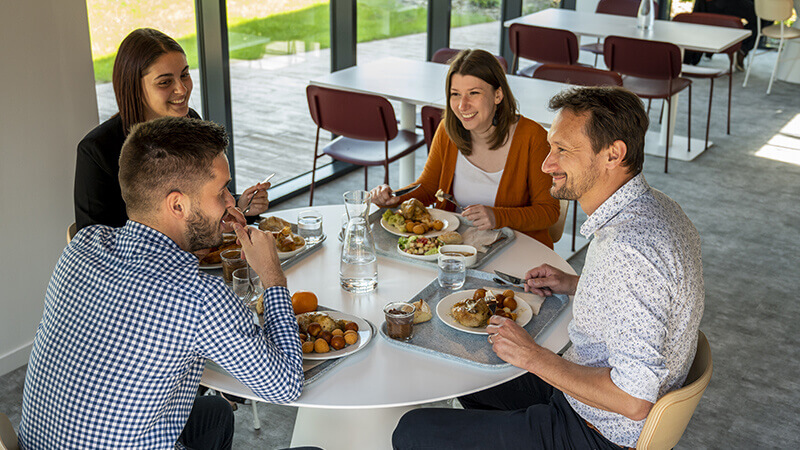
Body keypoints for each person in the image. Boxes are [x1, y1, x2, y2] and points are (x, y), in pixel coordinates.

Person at [392, 87, 704, 449]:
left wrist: (533, 356)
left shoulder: (630, 250)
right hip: (583, 391)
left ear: (613, 154)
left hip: (598, 431)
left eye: (562, 151)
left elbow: (634, 400)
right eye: (550, 147)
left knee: (412, 432)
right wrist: (574, 283)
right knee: (466, 365)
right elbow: (646, 298)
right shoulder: (656, 209)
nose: (546, 164)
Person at [20, 117, 303, 449]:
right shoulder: (199, 299)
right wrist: (272, 276)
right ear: (177, 205)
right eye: (221, 192)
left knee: (215, 413)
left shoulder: (83, 244)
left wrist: (201, 236)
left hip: (41, 443)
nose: (231, 202)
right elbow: (286, 385)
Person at [74, 28, 269, 232]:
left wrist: (238, 204)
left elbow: (203, 199)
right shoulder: (97, 151)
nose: (182, 89)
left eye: (184, 75)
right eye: (165, 82)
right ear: (133, 88)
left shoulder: (192, 122)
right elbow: (92, 242)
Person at [369, 49, 560, 248]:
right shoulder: (447, 131)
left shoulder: (533, 137)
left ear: (498, 95)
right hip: (458, 248)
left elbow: (548, 212)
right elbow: (428, 188)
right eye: (455, 94)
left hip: (519, 250)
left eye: (473, 93)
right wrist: (394, 199)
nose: (462, 105)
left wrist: (498, 216)